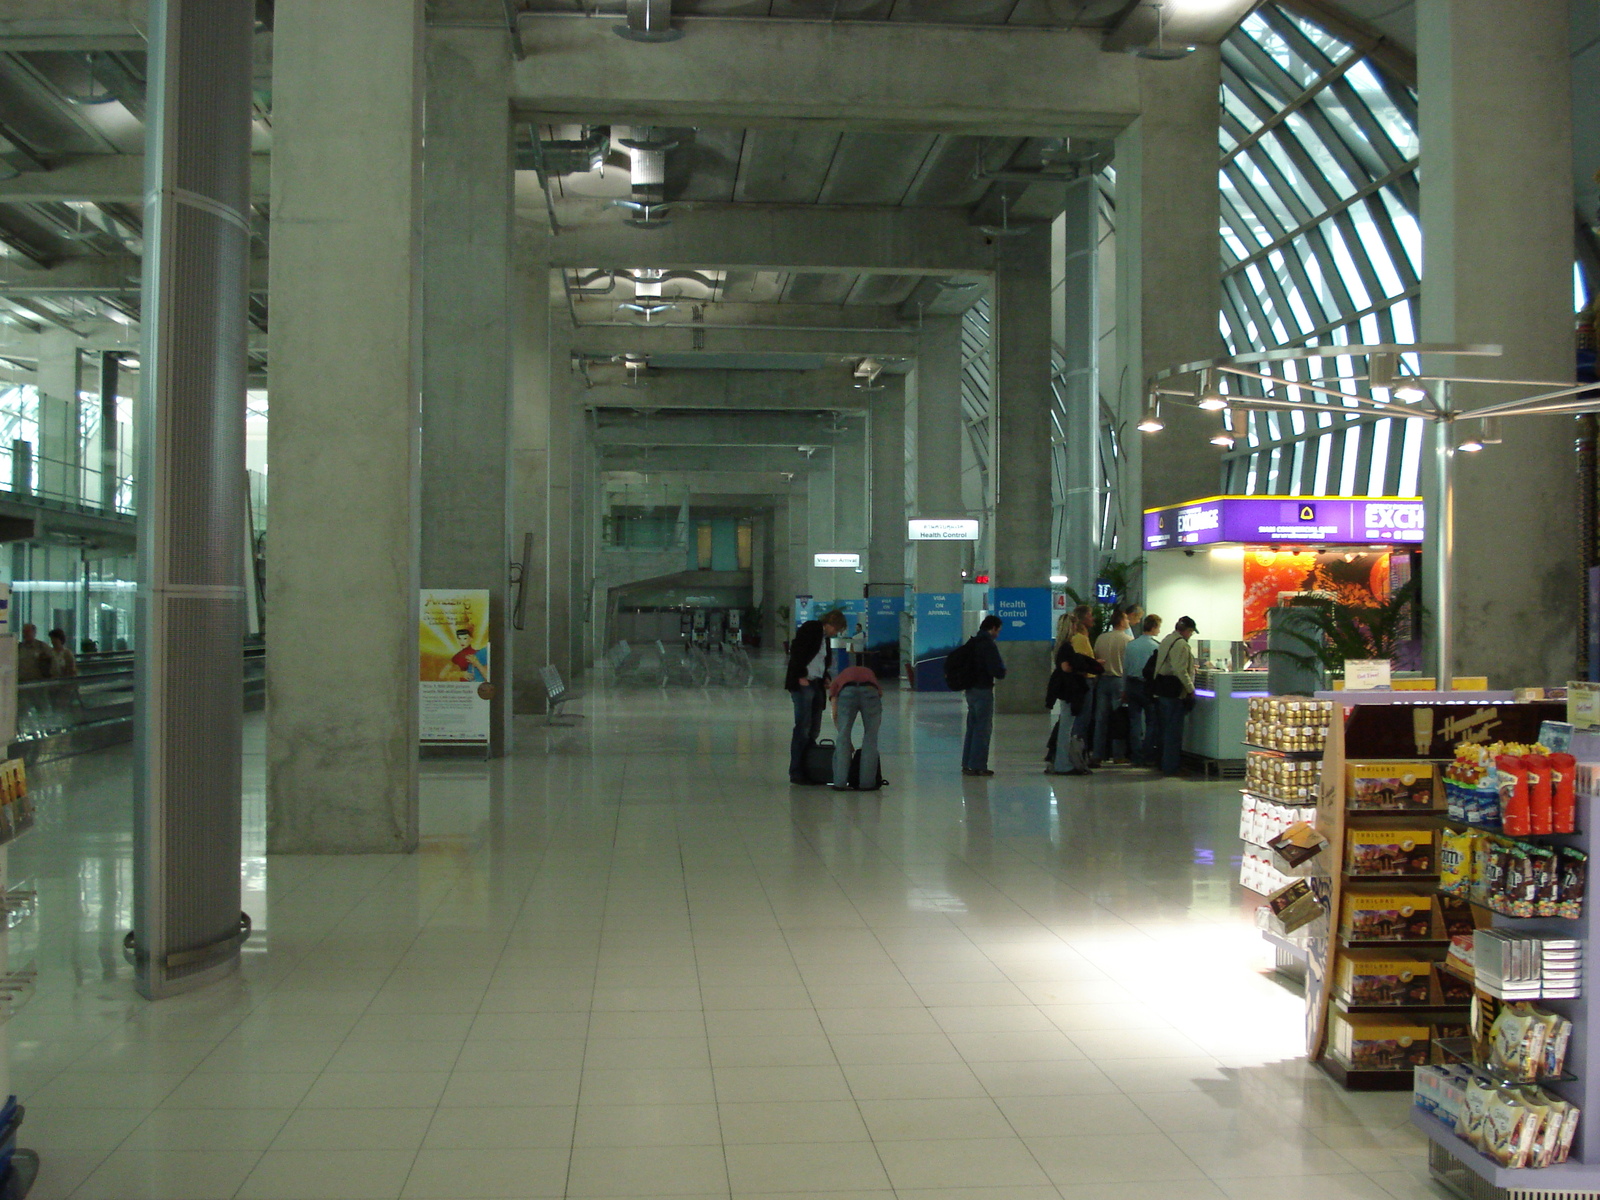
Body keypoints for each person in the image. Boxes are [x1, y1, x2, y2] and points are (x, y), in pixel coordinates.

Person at [786, 608, 846, 784]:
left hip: (816, 683)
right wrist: (800, 676)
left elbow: (820, 662)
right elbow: (797, 651)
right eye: (836, 629)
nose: (835, 633)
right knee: (803, 728)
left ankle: (809, 766)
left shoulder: (824, 639)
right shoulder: (811, 628)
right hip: (804, 683)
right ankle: (796, 771)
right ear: (831, 624)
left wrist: (825, 677)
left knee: (814, 729)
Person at [1046, 621, 1102, 775]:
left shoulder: (1059, 646)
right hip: (1069, 690)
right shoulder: (1066, 647)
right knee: (1066, 728)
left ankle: (1059, 761)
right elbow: (1066, 667)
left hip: (1064, 690)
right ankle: (1062, 764)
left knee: (1065, 726)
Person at [1151, 615, 1199, 776]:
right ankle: (1171, 767)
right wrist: (1191, 689)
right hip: (1173, 692)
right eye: (1191, 632)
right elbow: (1180, 670)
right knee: (1173, 732)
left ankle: (1162, 763)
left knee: (1164, 729)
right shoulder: (1182, 645)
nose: (1191, 635)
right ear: (1188, 631)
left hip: (1161, 689)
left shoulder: (1167, 639)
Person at [959, 615, 1006, 777]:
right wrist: (1002, 670)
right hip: (983, 690)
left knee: (972, 726)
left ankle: (967, 764)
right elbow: (997, 670)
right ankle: (978, 765)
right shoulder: (988, 645)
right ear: (992, 628)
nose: (998, 634)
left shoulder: (972, 642)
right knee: (983, 728)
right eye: (998, 630)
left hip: (970, 690)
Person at [1091, 605, 1134, 764]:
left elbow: (1095, 657)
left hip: (1102, 680)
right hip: (1119, 681)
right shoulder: (1128, 640)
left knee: (1101, 719)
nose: (1128, 621)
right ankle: (1118, 754)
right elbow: (1129, 664)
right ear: (1122, 622)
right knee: (1119, 719)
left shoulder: (1101, 638)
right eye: (1126, 618)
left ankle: (1097, 754)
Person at [828, 662, 882, 789]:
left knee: (843, 737)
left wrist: (842, 732)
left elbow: (835, 712)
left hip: (847, 693)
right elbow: (879, 693)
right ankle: (867, 784)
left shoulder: (837, 681)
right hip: (871, 691)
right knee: (871, 738)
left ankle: (840, 783)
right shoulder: (869, 674)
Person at [1122, 614, 1163, 767]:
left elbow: (1125, 668)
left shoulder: (1131, 645)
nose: (1159, 630)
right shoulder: (1156, 646)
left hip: (1132, 685)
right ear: (1153, 627)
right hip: (1147, 686)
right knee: (1152, 720)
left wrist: (1124, 688)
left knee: (1134, 721)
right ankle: (1147, 753)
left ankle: (1136, 755)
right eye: (1158, 627)